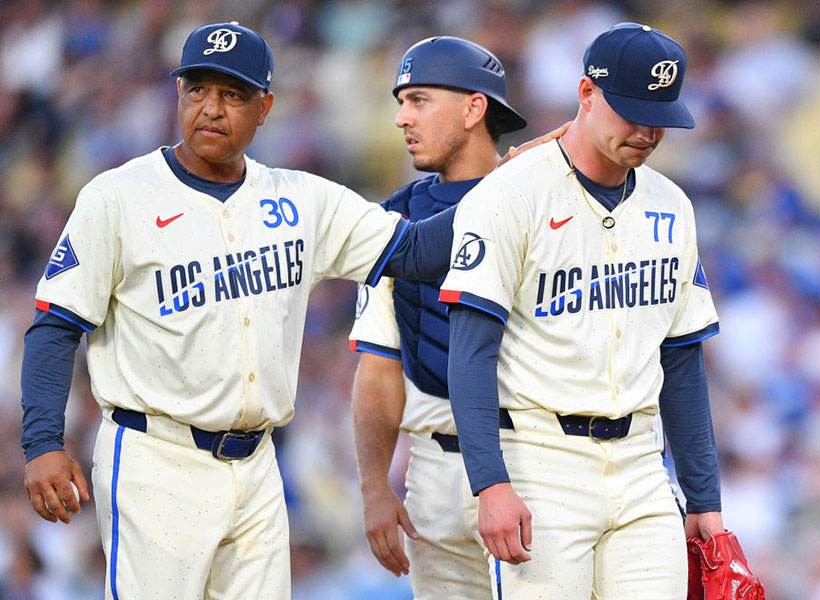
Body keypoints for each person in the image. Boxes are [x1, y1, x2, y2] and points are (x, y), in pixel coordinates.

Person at [19, 21, 455, 599]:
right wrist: (43, 442)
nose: (210, 108)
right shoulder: (118, 196)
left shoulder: (299, 199)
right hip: (157, 458)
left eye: (231, 94)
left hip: (257, 466)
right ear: (178, 95)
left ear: (265, 106)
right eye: (196, 89)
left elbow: (417, 251)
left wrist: (512, 185)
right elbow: (55, 326)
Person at [440, 22, 725, 598]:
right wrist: (489, 484)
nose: (647, 131)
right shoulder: (509, 195)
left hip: (643, 468)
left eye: (660, 116)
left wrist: (705, 499)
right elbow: (469, 353)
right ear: (586, 93)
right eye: (631, 111)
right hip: (541, 461)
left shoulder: (673, 205)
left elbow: (682, 361)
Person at [348, 36, 527, 598]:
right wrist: (375, 487)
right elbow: (379, 369)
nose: (402, 118)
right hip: (433, 472)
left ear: (475, 109)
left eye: (420, 100)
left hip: (532, 459)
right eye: (401, 102)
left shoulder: (544, 199)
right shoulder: (392, 221)